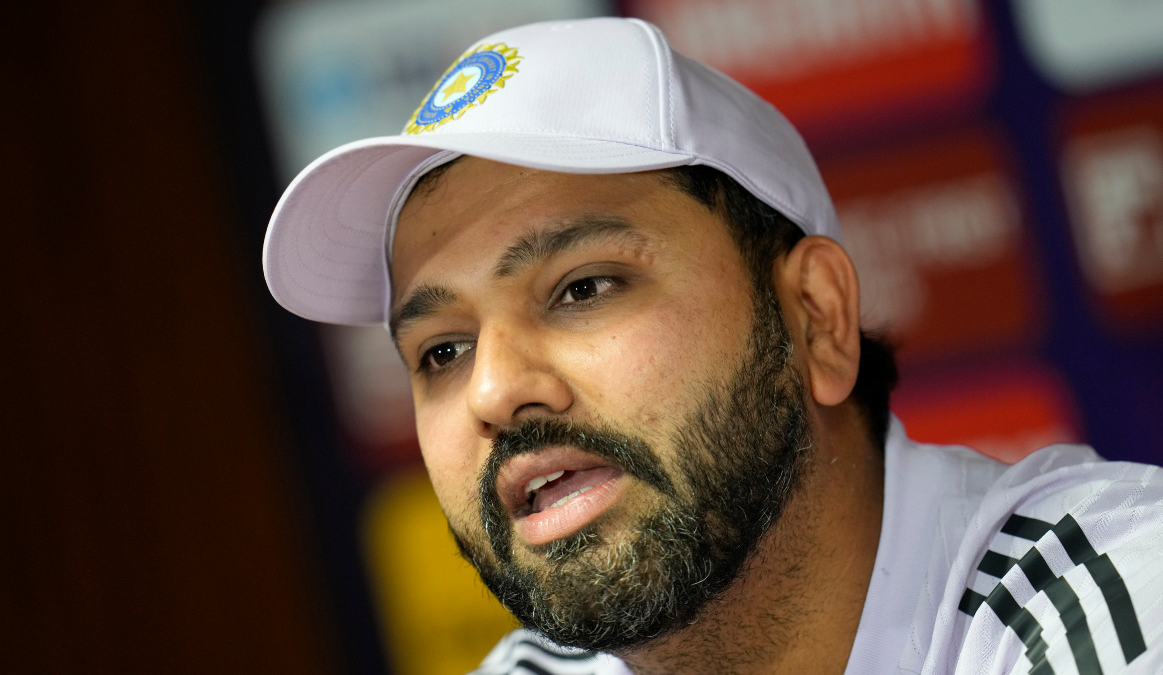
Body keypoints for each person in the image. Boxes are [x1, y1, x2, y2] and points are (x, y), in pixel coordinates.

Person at [262, 17, 1163, 675]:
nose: (495, 389)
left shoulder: (1112, 609)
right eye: (442, 351)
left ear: (815, 316)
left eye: (582, 287)